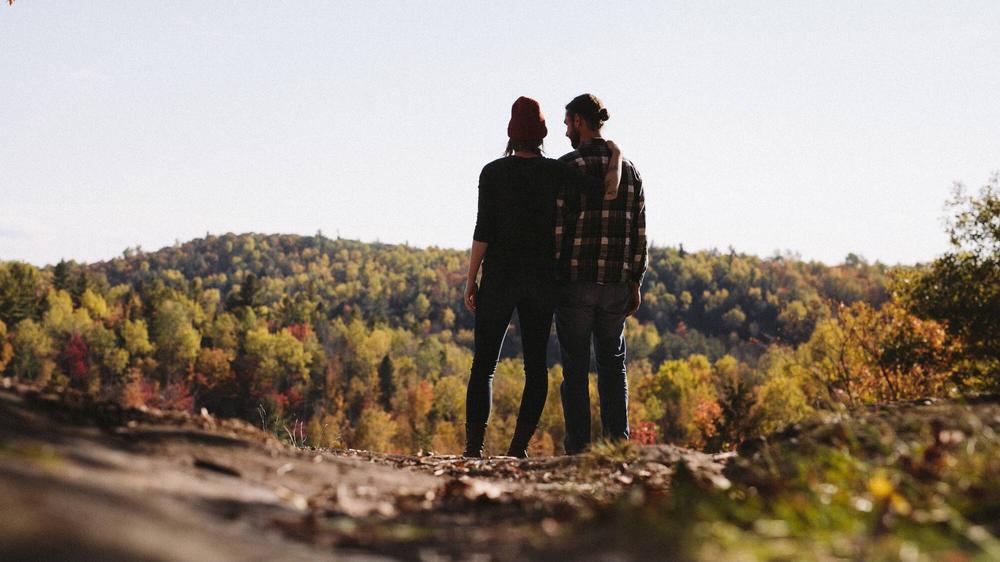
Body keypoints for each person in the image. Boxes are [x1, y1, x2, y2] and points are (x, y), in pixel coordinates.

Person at [463, 96, 622, 458]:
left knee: (484, 364)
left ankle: (474, 449)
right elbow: (604, 191)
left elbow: (482, 230)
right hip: (541, 281)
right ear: (542, 134)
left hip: (500, 278)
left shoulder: (492, 172)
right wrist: (615, 153)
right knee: (535, 367)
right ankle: (517, 449)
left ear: (510, 134)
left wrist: (471, 279)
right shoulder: (555, 171)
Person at [554, 93, 646, 454]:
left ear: (579, 121)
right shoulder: (631, 172)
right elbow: (640, 231)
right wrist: (635, 280)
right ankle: (616, 446)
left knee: (575, 367)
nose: (565, 130)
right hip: (615, 284)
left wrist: (555, 274)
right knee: (612, 365)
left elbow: (558, 228)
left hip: (576, 282)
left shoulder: (568, 167)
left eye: (567, 123)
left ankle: (578, 448)